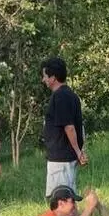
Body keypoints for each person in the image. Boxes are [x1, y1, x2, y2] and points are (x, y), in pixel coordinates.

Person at [41, 57, 86, 197]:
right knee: (67, 198)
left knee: (61, 201)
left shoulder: (60, 97)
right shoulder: (71, 95)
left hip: (61, 159)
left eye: (45, 76)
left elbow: (69, 127)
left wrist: (78, 152)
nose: (43, 80)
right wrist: (80, 149)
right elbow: (80, 126)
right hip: (66, 157)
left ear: (53, 78)